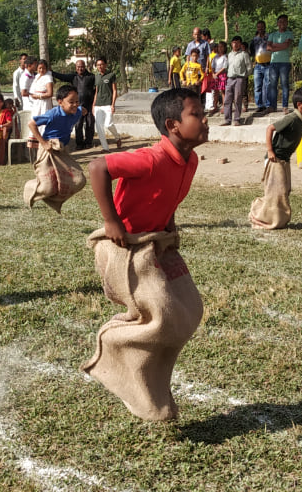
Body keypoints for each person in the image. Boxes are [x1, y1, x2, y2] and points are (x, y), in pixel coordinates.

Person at [82, 88, 208, 421]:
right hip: (122, 249)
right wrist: (111, 221)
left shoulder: (190, 159)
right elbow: (98, 167)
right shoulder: (151, 157)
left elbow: (167, 196)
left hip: (152, 243)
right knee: (163, 315)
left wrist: (170, 226)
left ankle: (142, 363)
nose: (205, 119)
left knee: (191, 309)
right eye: (197, 114)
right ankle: (112, 345)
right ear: (173, 125)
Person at [250, 87, 302, 230]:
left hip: (284, 159)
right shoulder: (291, 118)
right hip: (276, 159)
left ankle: (275, 219)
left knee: (284, 191)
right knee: (274, 193)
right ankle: (258, 217)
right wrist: (270, 150)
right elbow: (270, 128)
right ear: (299, 104)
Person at [24, 85, 86, 211]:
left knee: (79, 180)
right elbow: (31, 124)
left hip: (62, 149)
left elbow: (83, 110)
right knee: (47, 187)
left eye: (77, 101)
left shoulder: (77, 111)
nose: (75, 105)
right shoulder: (53, 114)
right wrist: (43, 143)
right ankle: (31, 187)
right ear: (60, 102)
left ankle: (52, 201)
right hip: (48, 149)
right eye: (71, 102)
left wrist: (83, 110)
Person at [53, 59, 97, 149]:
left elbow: (97, 89)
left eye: (82, 67)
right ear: (76, 68)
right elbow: (62, 76)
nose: (80, 69)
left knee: (90, 123)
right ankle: (79, 143)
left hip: (89, 105)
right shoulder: (73, 77)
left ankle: (88, 142)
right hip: (77, 106)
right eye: (78, 67)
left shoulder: (91, 77)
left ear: (84, 67)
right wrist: (51, 72)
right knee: (78, 124)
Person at [93, 57, 123, 152]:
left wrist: (113, 104)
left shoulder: (111, 75)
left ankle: (117, 137)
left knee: (108, 124)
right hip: (98, 105)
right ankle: (105, 148)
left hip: (108, 104)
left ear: (105, 65)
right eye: (98, 65)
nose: (100, 66)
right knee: (99, 127)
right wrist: (93, 105)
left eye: (101, 64)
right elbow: (96, 92)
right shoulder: (96, 77)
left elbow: (114, 91)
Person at [265, 14, 293, 112]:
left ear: (287, 23)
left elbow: (287, 45)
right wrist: (281, 45)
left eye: (284, 21)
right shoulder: (272, 34)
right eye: (280, 21)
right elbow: (268, 47)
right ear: (277, 23)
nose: (282, 23)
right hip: (273, 62)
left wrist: (274, 46)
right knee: (272, 85)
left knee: (284, 84)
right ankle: (272, 106)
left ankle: (285, 106)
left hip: (284, 62)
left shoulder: (289, 34)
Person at [222, 36, 252, 126]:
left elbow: (249, 67)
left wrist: (244, 76)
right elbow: (225, 66)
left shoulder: (244, 54)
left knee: (237, 99)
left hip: (239, 78)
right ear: (231, 44)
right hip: (230, 79)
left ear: (240, 44)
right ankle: (227, 119)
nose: (235, 44)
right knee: (227, 99)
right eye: (234, 42)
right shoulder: (229, 55)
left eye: (237, 42)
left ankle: (237, 119)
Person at [249, 20, 271, 112]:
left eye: (262, 26)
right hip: (258, 66)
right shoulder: (254, 40)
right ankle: (259, 105)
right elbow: (251, 52)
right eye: (259, 27)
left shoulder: (269, 37)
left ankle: (267, 104)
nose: (260, 28)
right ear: (257, 28)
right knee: (257, 86)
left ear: (265, 27)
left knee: (267, 85)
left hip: (268, 65)